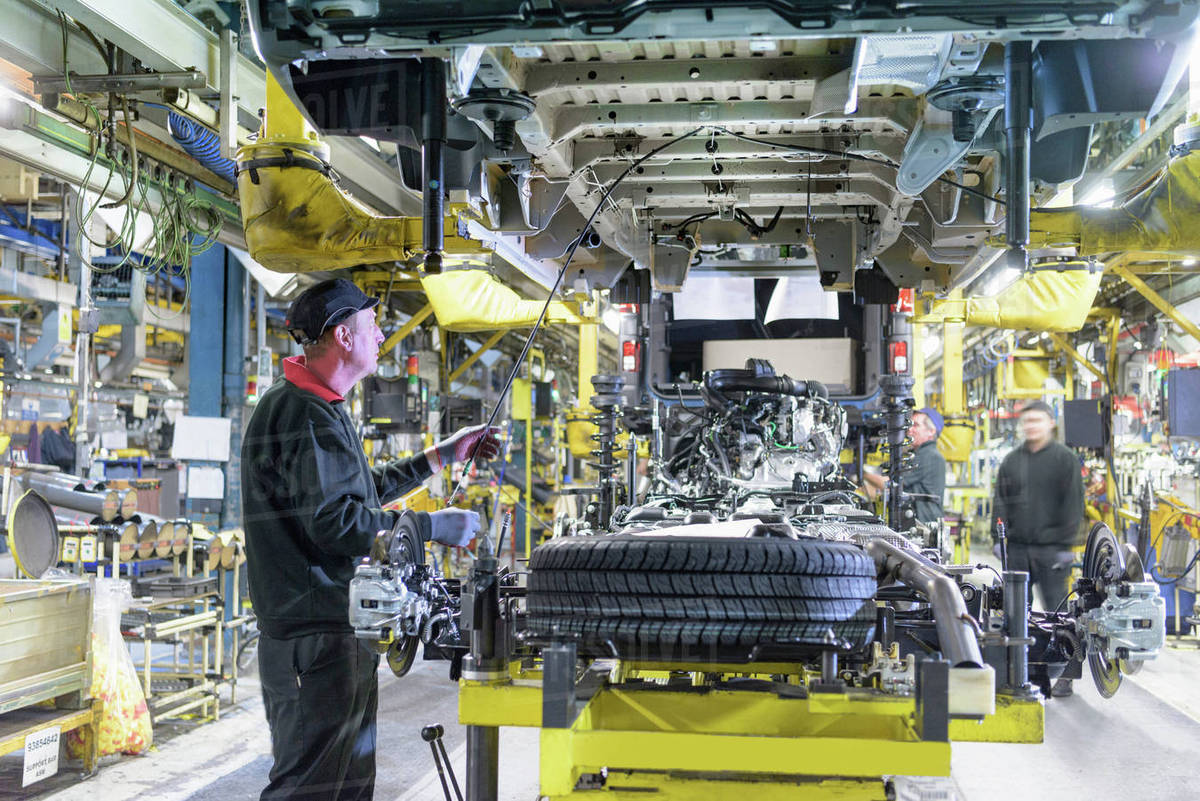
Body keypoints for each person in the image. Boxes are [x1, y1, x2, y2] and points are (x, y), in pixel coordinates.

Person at [242, 278, 501, 800]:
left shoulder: (323, 404)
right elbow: (337, 524)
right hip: (312, 640)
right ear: (342, 335)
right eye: (372, 324)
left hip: (335, 631)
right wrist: (430, 526)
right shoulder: (302, 413)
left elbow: (359, 495)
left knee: (349, 784)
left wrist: (439, 456)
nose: (381, 334)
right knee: (310, 788)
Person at [991, 400, 1084, 696]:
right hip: (1017, 548)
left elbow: (1074, 505)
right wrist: (998, 537)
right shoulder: (1011, 460)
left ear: (1051, 424)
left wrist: (1065, 545)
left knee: (1061, 614)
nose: (1032, 426)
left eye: (1038, 421)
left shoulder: (1065, 459)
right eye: (1027, 421)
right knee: (1017, 612)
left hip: (1052, 549)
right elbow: (1001, 500)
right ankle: (1021, 671)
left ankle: (1066, 675)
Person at [862, 407, 946, 528]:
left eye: (916, 425)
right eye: (909, 425)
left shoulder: (929, 455)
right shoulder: (919, 454)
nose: (909, 430)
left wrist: (861, 473)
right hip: (916, 524)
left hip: (923, 526)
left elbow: (892, 484)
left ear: (931, 431)